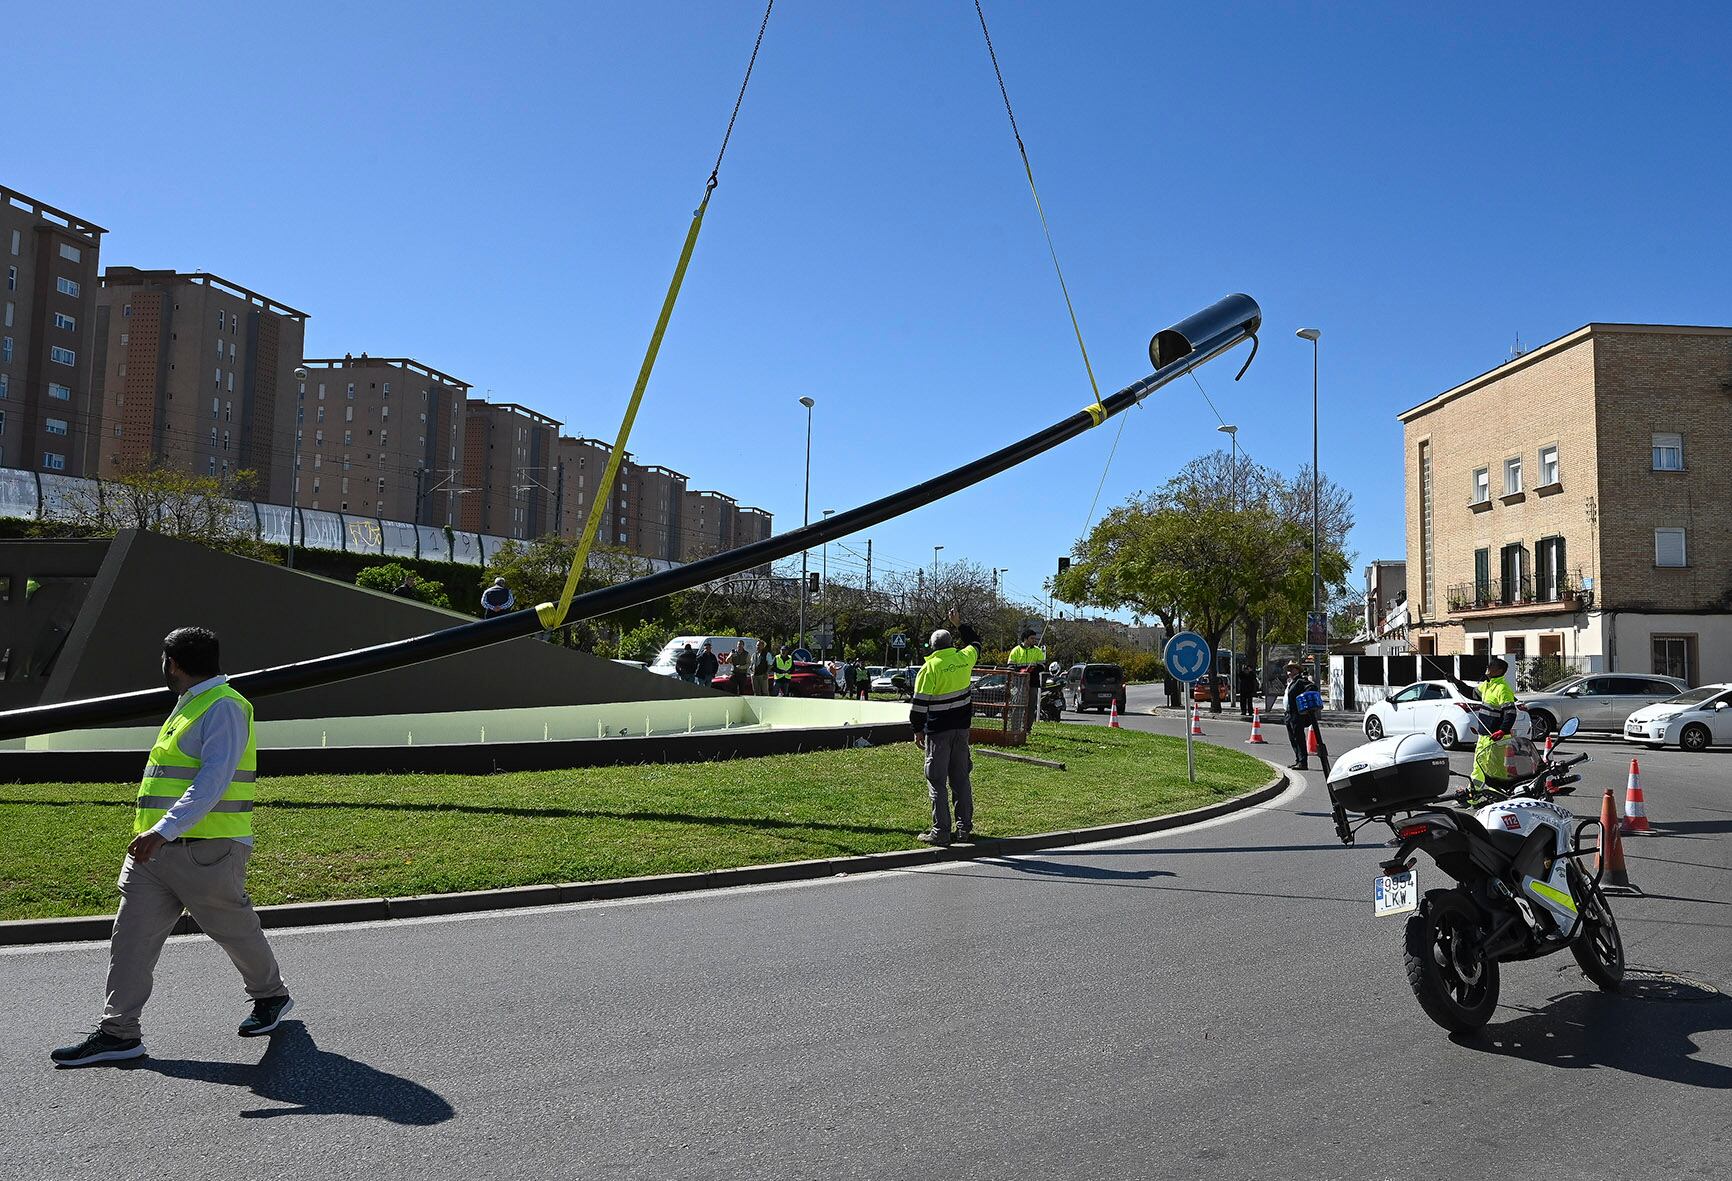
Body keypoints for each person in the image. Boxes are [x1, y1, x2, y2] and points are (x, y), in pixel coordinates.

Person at [51, 627, 293, 1068]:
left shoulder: (224, 706)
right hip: (152, 853)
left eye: (163, 661)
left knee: (234, 931)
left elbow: (213, 782)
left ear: (172, 664)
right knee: (130, 940)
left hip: (205, 850)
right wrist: (156, 835)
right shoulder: (191, 705)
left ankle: (271, 996)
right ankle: (118, 1033)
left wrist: (163, 829)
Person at [910, 609, 981, 846]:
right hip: (962, 731)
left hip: (938, 733)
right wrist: (960, 623)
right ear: (951, 644)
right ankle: (964, 829)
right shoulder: (964, 658)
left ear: (932, 647)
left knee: (937, 780)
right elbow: (975, 642)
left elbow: (919, 706)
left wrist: (917, 729)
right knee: (961, 779)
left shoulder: (929, 669)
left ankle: (941, 832)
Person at [1449, 657, 1516, 788]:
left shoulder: (1502, 688)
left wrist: (1502, 730)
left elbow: (1511, 712)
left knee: (1495, 769)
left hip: (1496, 737)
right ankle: (1473, 796)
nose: (1488, 668)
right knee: (1478, 768)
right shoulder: (1487, 685)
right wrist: (1456, 682)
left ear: (1499, 671)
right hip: (1484, 736)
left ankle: (1498, 796)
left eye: (1492, 666)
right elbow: (1471, 693)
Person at [1282, 661, 1330, 772]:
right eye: (1288, 669)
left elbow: (1312, 687)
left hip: (1296, 714)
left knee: (1299, 738)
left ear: (1297, 670)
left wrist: (1304, 699)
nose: (1289, 671)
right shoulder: (1291, 682)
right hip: (1289, 714)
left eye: (1292, 668)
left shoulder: (1300, 680)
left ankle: (1303, 762)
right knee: (1292, 739)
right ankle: (1298, 759)